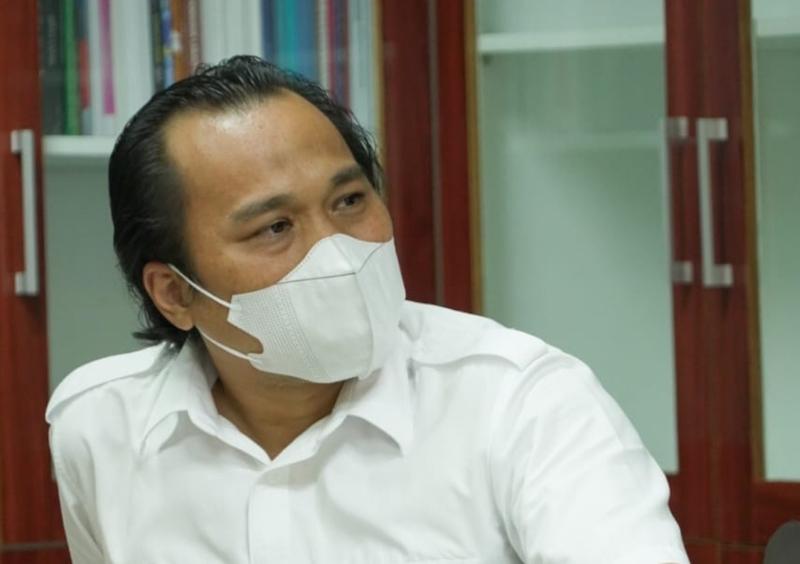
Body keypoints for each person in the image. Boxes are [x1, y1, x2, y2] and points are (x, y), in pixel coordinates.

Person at [46, 56, 690, 564]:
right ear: (175, 292)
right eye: (274, 228)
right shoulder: (100, 428)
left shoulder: (522, 403)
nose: (337, 252)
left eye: (350, 201)